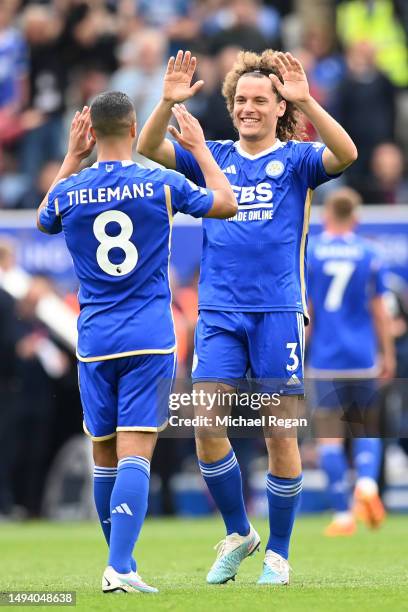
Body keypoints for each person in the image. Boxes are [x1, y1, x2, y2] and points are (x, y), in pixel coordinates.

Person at [137, 49, 357, 585]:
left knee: (279, 435)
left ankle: (278, 556)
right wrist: (166, 101)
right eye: (241, 100)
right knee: (206, 426)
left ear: (280, 105)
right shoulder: (209, 155)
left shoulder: (300, 159)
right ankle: (239, 532)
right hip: (217, 312)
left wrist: (308, 100)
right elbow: (147, 148)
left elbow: (346, 153)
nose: (248, 108)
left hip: (279, 312)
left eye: (261, 100)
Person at [37, 94, 237, 593]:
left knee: (104, 454)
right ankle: (120, 567)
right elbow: (227, 203)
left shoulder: (70, 189)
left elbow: (43, 218)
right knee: (135, 454)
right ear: (132, 128)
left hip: (95, 338)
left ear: (90, 132)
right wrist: (200, 150)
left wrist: (69, 158)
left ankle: (118, 562)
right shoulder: (161, 183)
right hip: (148, 333)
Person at [307, 188, 395, 536]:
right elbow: (379, 311)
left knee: (329, 438)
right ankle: (369, 488)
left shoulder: (312, 253)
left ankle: (343, 515)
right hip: (361, 357)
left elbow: (308, 311)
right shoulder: (370, 253)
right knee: (365, 428)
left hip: (326, 358)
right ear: (355, 217)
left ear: (327, 215)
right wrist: (386, 355)